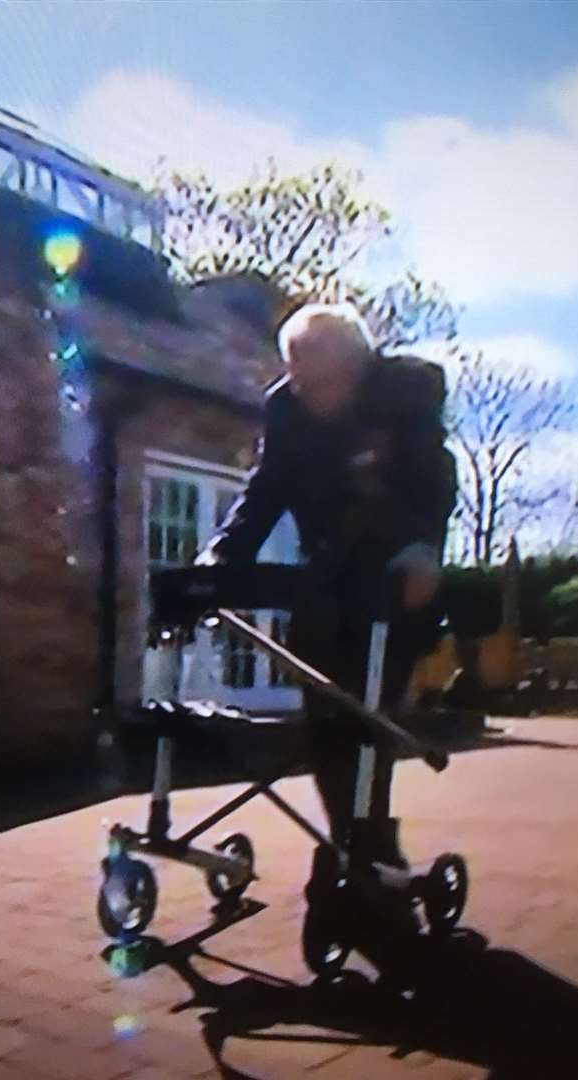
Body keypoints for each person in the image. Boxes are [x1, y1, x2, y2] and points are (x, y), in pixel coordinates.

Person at [197, 302, 456, 873]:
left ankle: (371, 841)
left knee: (367, 716)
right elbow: (265, 490)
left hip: (396, 572)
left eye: (319, 382)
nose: (305, 394)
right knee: (325, 721)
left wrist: (422, 549)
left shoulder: (406, 395)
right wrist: (221, 556)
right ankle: (354, 845)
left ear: (359, 367)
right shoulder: (286, 409)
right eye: (297, 378)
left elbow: (435, 480)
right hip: (326, 575)